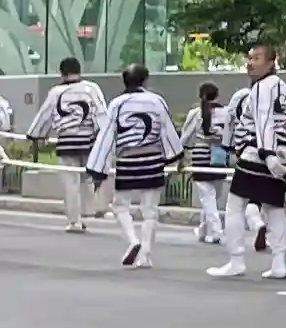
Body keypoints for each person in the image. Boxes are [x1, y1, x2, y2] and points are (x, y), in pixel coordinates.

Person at [208, 46, 286, 281]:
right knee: (274, 208)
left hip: (257, 153)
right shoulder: (283, 88)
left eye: (256, 58)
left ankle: (236, 260)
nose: (250, 63)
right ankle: (279, 262)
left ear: (271, 63)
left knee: (235, 206)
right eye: (249, 58)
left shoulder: (262, 87)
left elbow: (263, 121)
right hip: (281, 153)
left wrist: (267, 154)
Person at [85, 65, 182, 268]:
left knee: (120, 206)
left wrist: (98, 169)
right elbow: (167, 131)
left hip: (128, 161)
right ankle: (145, 255)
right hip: (153, 160)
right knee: (150, 211)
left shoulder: (117, 104)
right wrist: (175, 156)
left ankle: (132, 240)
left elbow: (106, 137)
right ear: (145, 80)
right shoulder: (156, 101)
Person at [26, 57, 107, 232]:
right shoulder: (92, 89)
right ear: (80, 70)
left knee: (70, 183)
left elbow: (45, 115)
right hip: (88, 141)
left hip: (66, 142)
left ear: (61, 73)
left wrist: (35, 135)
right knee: (87, 178)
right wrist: (104, 137)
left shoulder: (56, 93)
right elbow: (101, 114)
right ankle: (87, 211)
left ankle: (74, 221)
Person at [179, 83, 229, 244]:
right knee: (212, 197)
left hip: (201, 156)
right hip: (220, 156)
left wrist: (180, 157)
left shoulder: (196, 113)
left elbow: (185, 137)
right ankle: (202, 230)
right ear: (217, 95)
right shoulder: (227, 113)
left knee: (207, 198)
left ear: (201, 96)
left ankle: (217, 231)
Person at [220, 85, 267, 252]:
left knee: (237, 203)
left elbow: (230, 120)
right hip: (270, 152)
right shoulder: (275, 93)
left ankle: (237, 252)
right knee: (260, 198)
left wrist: (229, 145)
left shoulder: (240, 96)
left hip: (246, 151)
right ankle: (261, 226)